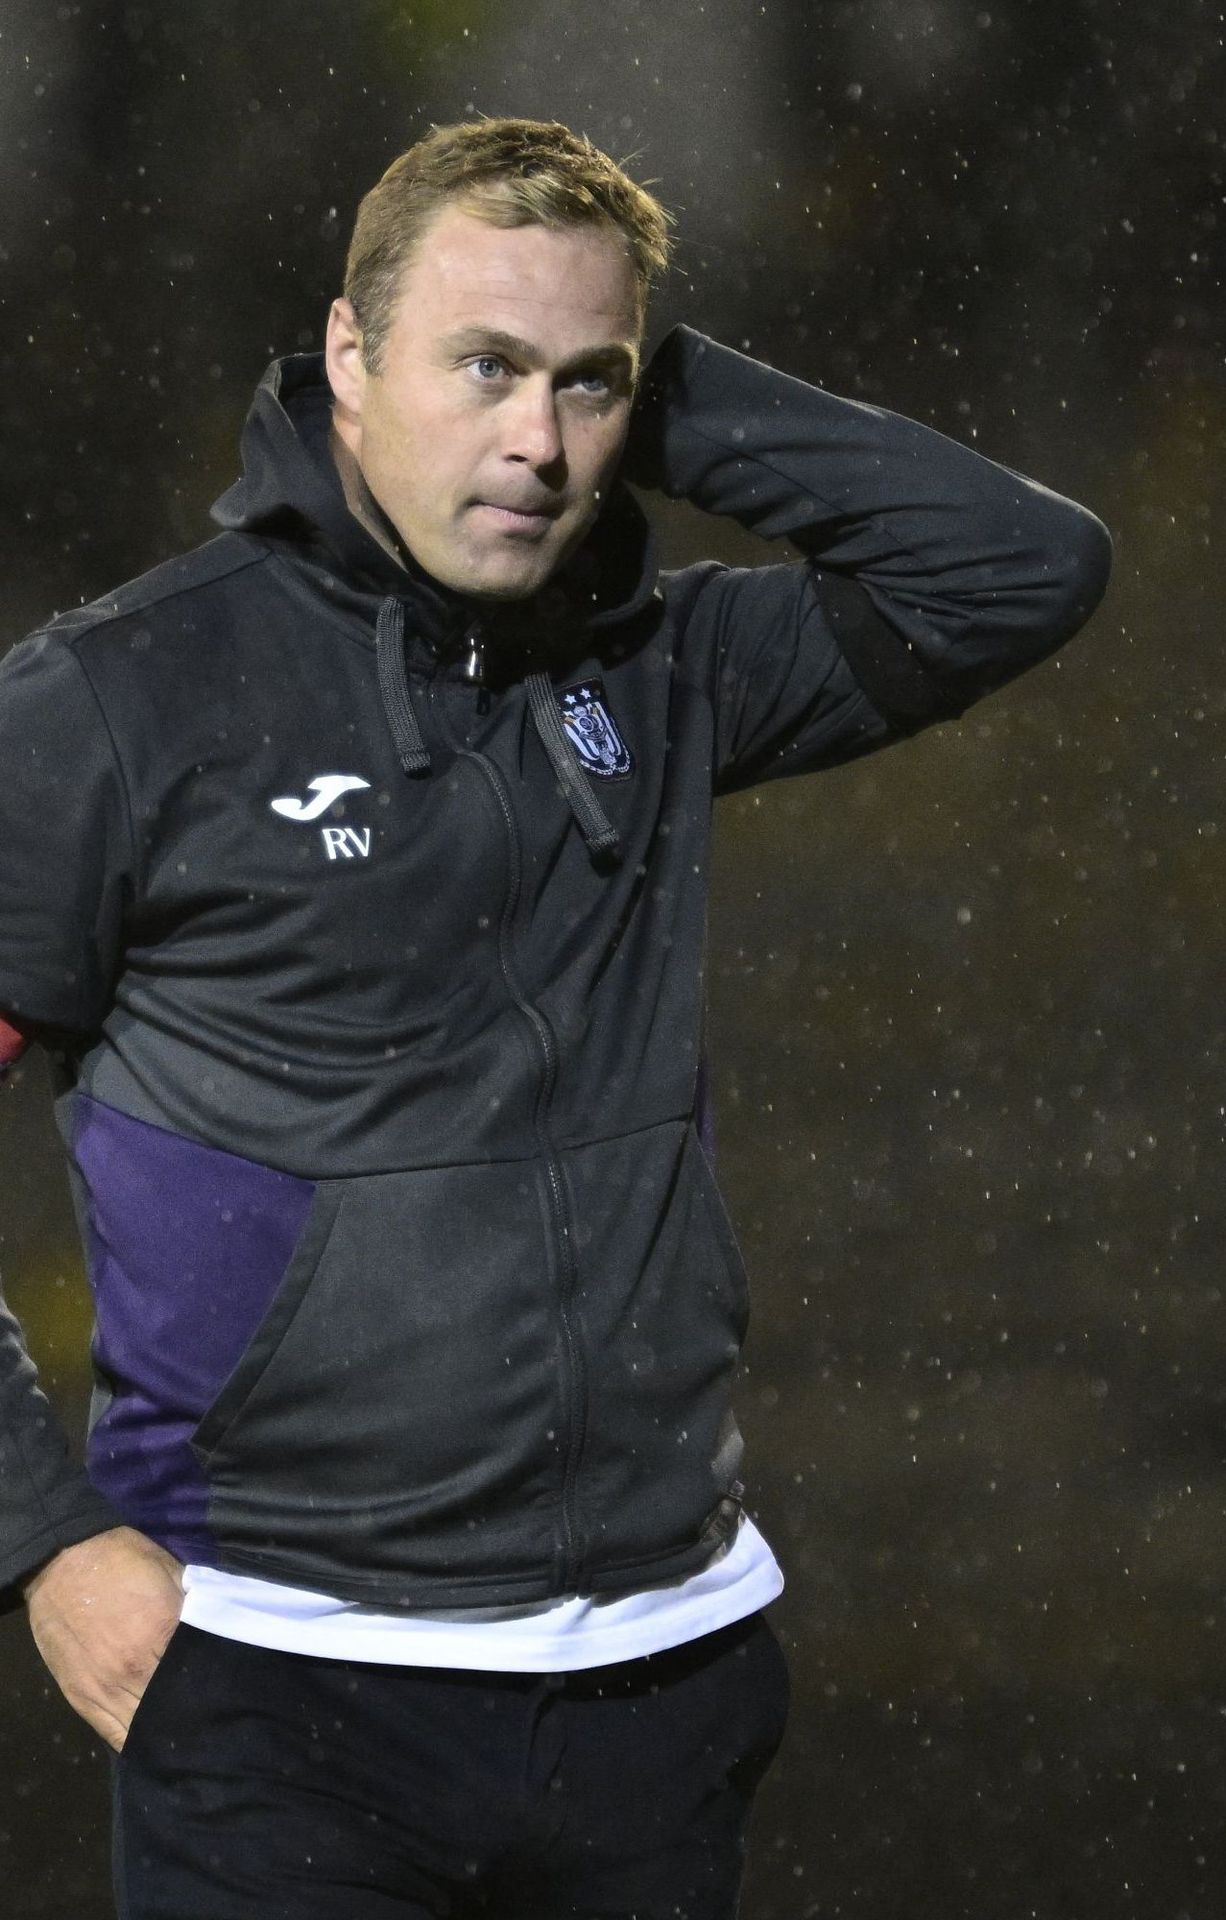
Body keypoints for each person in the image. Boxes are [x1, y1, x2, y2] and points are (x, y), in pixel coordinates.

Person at [0, 116, 1110, 1918]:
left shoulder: (658, 671)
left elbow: (1021, 570)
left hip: (662, 1686)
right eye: (485, 365)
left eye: (588, 388)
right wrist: (38, 1548)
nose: (537, 439)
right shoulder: (115, 705)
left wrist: (656, 386)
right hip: (284, 1677)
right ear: (348, 361)